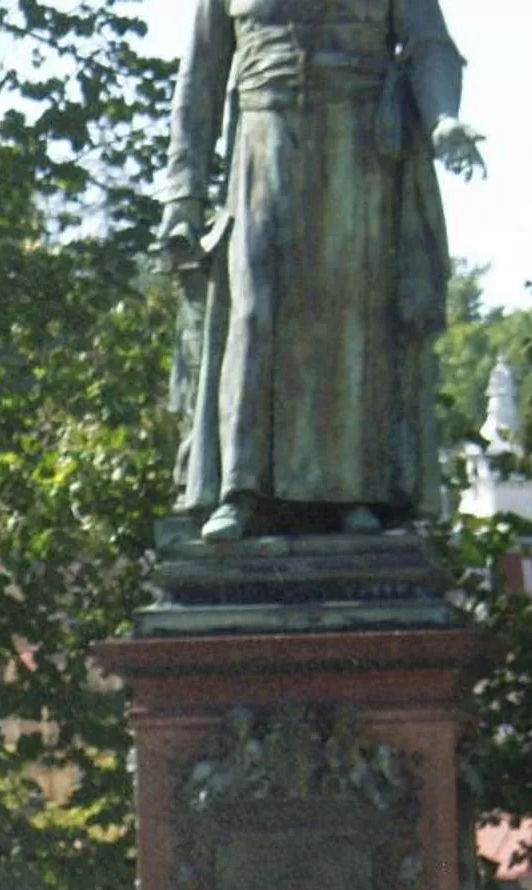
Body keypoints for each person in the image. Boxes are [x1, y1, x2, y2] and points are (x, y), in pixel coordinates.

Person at [159, 0, 482, 542]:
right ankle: (241, 490)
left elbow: (431, 46)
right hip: (265, 146)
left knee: (352, 316)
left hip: (360, 148)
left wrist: (443, 117)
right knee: (256, 314)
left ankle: (355, 493)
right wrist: (183, 194)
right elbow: (201, 78)